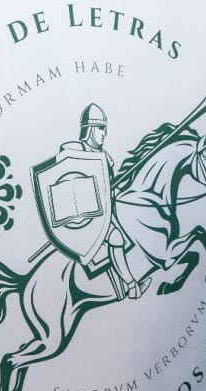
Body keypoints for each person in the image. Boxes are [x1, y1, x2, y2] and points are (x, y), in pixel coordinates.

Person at [61, 103, 145, 299]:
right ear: (89, 129)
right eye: (100, 128)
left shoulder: (105, 156)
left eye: (104, 128)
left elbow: (110, 187)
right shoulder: (77, 149)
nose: (104, 133)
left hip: (106, 212)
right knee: (116, 237)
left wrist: (117, 189)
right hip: (87, 218)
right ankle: (132, 286)